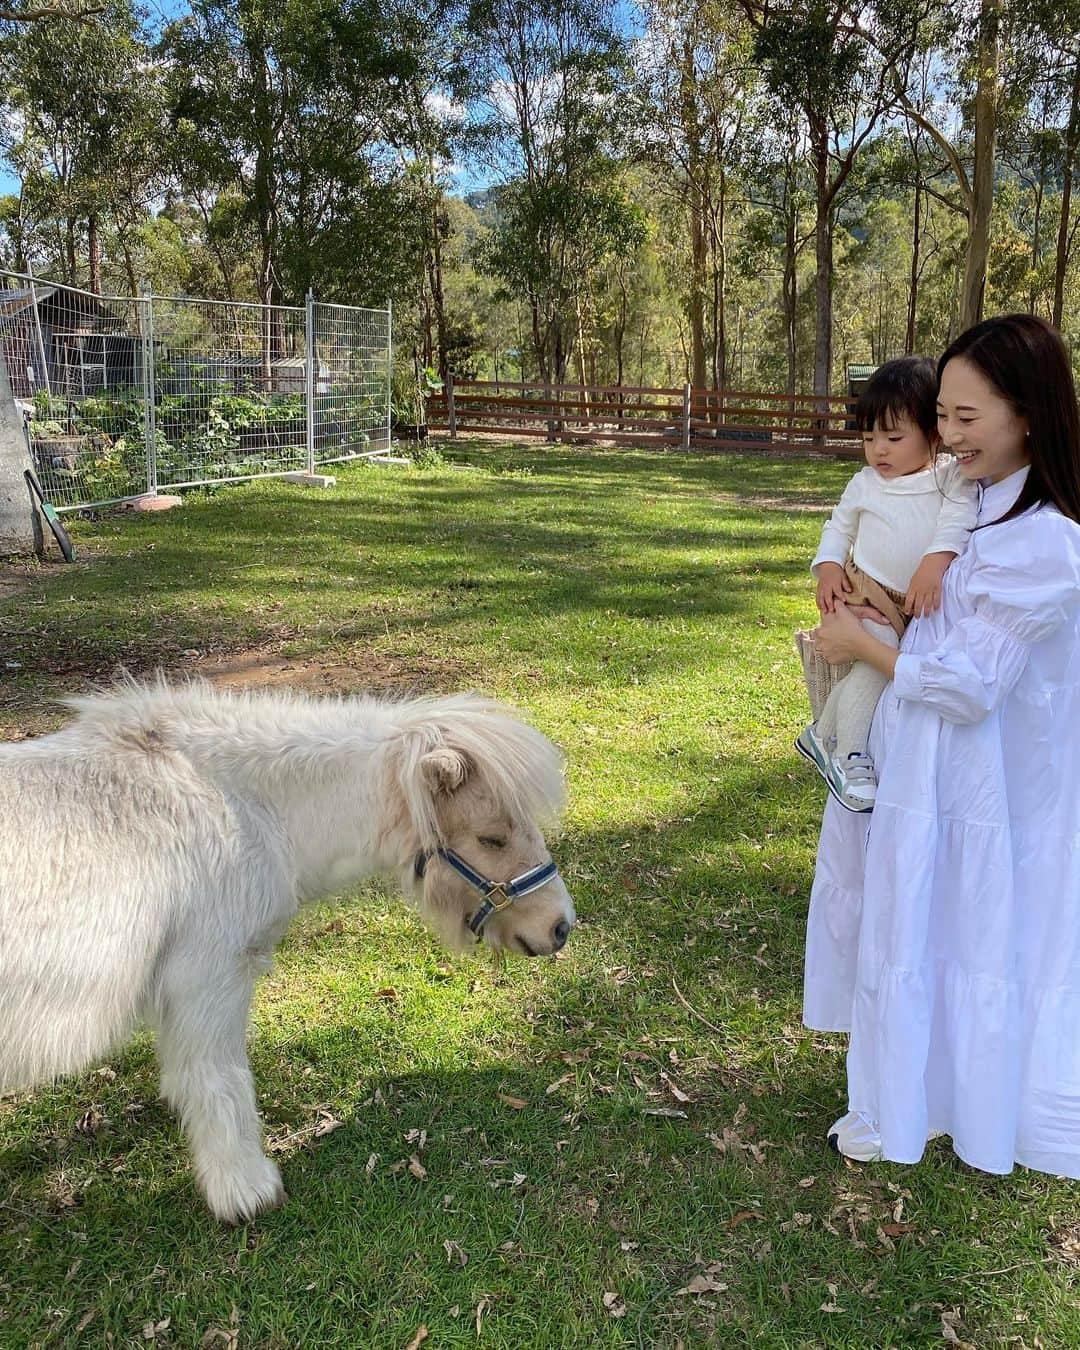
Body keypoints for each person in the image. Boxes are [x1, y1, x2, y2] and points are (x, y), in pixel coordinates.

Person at [805, 313, 1080, 1179]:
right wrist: (882, 608)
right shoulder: (981, 504)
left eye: (966, 418)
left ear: (1028, 412)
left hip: (987, 778)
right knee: (929, 924)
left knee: (977, 931)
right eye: (944, 416)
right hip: (935, 769)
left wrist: (865, 649)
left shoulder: (1043, 538)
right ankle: (919, 1091)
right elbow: (945, 634)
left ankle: (969, 1099)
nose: (947, 436)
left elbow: (970, 685)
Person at [796, 358, 978, 811]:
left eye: (894, 438)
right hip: (866, 594)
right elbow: (837, 528)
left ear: (933, 435)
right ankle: (849, 754)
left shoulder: (950, 477)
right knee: (877, 665)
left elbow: (958, 519)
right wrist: (829, 568)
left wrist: (934, 563)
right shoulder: (865, 484)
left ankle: (821, 734)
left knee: (876, 667)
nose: (879, 450)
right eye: (869, 438)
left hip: (911, 603)